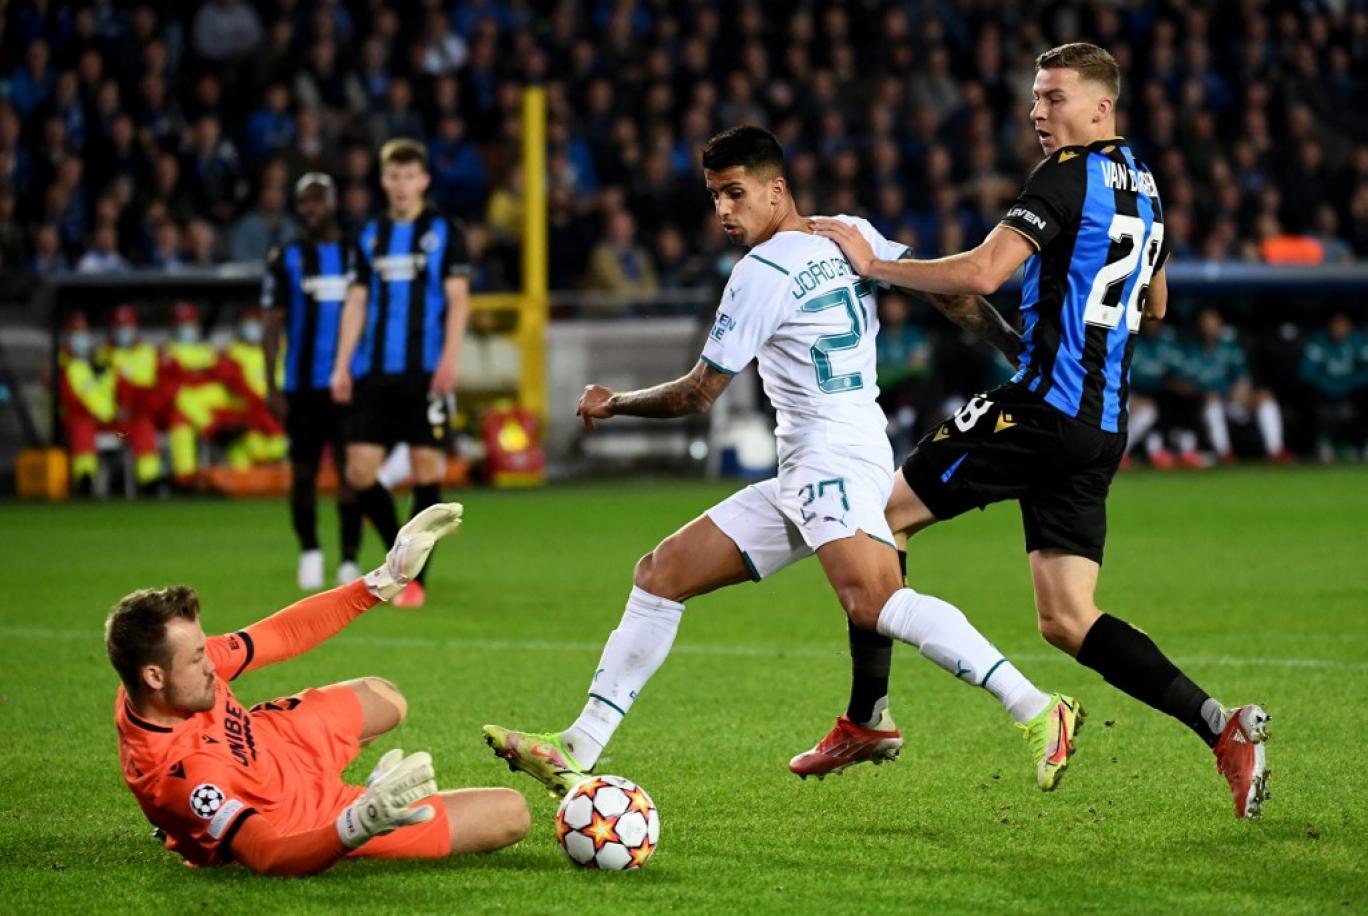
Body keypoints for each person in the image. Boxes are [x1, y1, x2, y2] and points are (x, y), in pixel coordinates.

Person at [483, 125, 1077, 798]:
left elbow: (698, 393)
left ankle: (1036, 708)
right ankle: (577, 745)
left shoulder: (759, 273)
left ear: (777, 189)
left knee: (876, 602)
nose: (723, 210)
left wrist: (613, 402)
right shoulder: (848, 234)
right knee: (661, 573)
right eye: (714, 196)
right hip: (827, 461)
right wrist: (1015, 346)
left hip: (829, 462)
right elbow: (950, 294)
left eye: (735, 193)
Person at [811, 43, 1270, 818]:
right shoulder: (1148, 185)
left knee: (877, 521)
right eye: (1034, 97)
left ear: (1101, 106)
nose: (1037, 112)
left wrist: (874, 264)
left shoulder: (1065, 175)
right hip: (1100, 428)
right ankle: (1221, 727)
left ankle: (868, 717)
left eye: (1054, 97)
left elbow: (982, 273)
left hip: (1039, 411)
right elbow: (1156, 303)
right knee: (1066, 618)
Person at [109, 504, 530, 875]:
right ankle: (211, 832)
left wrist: (384, 579)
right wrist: (355, 825)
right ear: (154, 677)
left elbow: (281, 633)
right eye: (197, 659)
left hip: (271, 741)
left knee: (385, 697)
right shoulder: (186, 780)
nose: (211, 665)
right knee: (511, 813)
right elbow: (267, 855)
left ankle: (200, 819)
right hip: (299, 816)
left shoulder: (159, 679)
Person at [330, 139, 471, 608]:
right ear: (383, 180)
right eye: (394, 176)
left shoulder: (444, 231)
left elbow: (458, 301)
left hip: (424, 371)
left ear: (424, 180)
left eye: (410, 176)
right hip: (373, 371)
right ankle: (401, 558)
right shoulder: (370, 234)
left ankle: (414, 582)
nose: (402, 185)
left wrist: (449, 360)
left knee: (425, 468)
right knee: (359, 471)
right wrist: (341, 363)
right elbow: (356, 301)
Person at [262, 172, 363, 590]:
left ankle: (349, 559)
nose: (311, 208)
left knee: (351, 472)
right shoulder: (285, 257)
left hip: (348, 383)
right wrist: (271, 384)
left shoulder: (356, 254)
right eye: (304, 201)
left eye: (318, 199)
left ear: (334, 203)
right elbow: (272, 323)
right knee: (303, 473)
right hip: (301, 386)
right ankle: (310, 551)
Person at [1187, 307, 1291, 465]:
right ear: (1199, 326)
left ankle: (1275, 450)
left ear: (1220, 324)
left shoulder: (1229, 347)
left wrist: (1240, 390)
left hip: (1231, 400)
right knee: (1212, 403)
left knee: (1265, 397)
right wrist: (1202, 393)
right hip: (1202, 402)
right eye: (1206, 323)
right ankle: (1224, 453)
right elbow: (1184, 381)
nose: (1209, 327)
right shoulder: (1191, 349)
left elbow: (1242, 376)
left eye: (1213, 322)